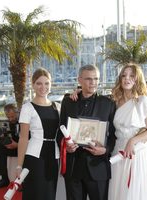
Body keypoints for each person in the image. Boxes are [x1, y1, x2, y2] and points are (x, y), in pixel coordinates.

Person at [57, 64, 116, 200]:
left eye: (96, 79)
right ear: (79, 80)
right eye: (89, 79)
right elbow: (60, 131)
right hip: (73, 168)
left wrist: (105, 150)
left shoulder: (108, 103)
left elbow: (113, 134)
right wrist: (66, 146)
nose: (93, 82)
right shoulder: (68, 102)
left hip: (98, 167)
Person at [108, 63, 147, 200]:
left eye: (131, 76)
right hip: (118, 152)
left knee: (135, 192)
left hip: (136, 152)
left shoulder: (143, 101)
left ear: (137, 79)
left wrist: (132, 141)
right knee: (119, 191)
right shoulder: (115, 101)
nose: (127, 79)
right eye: (123, 75)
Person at [16, 67, 60, 200]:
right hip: (34, 157)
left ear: (51, 84)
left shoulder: (57, 106)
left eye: (46, 83)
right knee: (35, 193)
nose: (43, 87)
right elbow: (23, 138)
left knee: (50, 194)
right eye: (39, 83)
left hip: (53, 156)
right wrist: (19, 165)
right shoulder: (27, 107)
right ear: (33, 85)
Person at [0, 103, 19, 189]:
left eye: (12, 116)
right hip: (13, 147)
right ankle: (4, 179)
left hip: (24, 148)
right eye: (8, 117)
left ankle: (24, 181)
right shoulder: (7, 123)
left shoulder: (24, 121)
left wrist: (17, 145)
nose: (11, 119)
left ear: (17, 113)